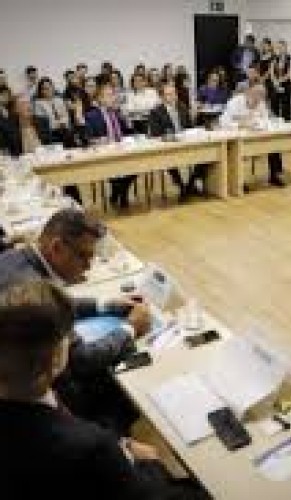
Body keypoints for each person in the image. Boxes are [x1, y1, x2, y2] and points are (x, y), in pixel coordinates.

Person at [0, 280, 210, 500]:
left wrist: (123, 444)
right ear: (56, 358)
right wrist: (151, 464)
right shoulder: (91, 446)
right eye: (70, 336)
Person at [0, 209, 152, 430]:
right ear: (57, 248)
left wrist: (104, 305)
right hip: (39, 398)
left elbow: (59, 301)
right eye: (83, 256)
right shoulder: (35, 295)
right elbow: (82, 360)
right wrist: (131, 328)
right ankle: (110, 440)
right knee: (126, 385)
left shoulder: (13, 258)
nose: (88, 267)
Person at [0, 94, 84, 202]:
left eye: (29, 103)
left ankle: (74, 205)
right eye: (23, 104)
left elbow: (50, 144)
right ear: (15, 109)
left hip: (45, 162)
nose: (28, 106)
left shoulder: (42, 121)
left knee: (67, 175)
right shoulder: (7, 126)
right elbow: (7, 153)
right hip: (24, 167)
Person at [220, 85, 286, 188]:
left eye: (261, 96)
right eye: (257, 95)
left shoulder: (261, 103)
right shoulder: (235, 102)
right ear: (249, 93)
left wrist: (260, 124)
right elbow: (223, 121)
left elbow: (265, 119)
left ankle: (274, 175)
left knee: (273, 144)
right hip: (236, 136)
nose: (258, 100)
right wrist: (241, 124)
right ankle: (239, 181)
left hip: (255, 134)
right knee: (238, 150)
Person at [85, 83, 135, 209]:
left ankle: (119, 192)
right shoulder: (92, 115)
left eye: (113, 95)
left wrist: (128, 122)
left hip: (122, 151)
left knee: (139, 165)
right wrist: (100, 140)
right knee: (115, 169)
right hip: (104, 154)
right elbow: (88, 139)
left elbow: (127, 133)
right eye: (108, 95)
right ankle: (121, 193)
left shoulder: (117, 113)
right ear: (100, 99)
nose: (112, 98)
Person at [149, 82, 196, 201]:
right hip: (168, 147)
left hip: (186, 143)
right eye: (168, 94)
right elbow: (155, 134)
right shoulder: (156, 112)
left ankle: (190, 184)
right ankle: (181, 186)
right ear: (162, 97)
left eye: (174, 93)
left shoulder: (182, 107)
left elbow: (190, 127)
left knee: (207, 157)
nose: (173, 96)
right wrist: (168, 137)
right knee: (168, 159)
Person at [33, 77, 70, 143]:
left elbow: (65, 115)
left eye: (49, 87)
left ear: (53, 88)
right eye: (45, 89)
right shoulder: (38, 103)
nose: (48, 90)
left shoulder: (59, 100)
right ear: (41, 91)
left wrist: (63, 122)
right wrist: (58, 124)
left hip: (63, 128)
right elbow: (43, 123)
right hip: (51, 132)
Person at [269, 40, 291, 121]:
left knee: (285, 106)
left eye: (282, 47)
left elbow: (290, 72)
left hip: (285, 84)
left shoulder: (290, 58)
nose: (280, 49)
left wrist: (280, 81)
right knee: (274, 104)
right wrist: (275, 81)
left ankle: (286, 122)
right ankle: (275, 122)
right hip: (275, 84)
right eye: (278, 47)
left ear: (285, 48)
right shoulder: (274, 58)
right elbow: (271, 71)